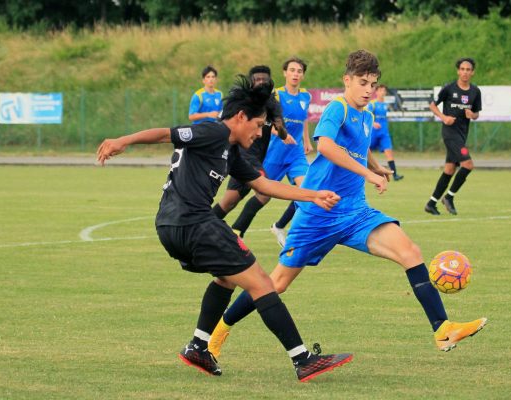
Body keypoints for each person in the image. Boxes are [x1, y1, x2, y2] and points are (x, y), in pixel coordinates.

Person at [209, 50, 487, 359]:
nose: (369, 89)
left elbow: (359, 147)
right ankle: (220, 329)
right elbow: (326, 146)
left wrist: (377, 166)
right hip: (318, 213)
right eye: (363, 82)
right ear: (347, 81)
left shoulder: (367, 115)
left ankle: (442, 328)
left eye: (373, 83)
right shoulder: (336, 109)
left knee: (410, 252)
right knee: (276, 283)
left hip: (355, 211)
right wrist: (369, 173)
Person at [96, 76, 352, 382]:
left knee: (226, 278)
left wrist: (313, 194)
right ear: (241, 117)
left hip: (171, 225)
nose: (260, 134)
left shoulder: (231, 151)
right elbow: (166, 134)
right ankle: (303, 360)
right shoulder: (214, 130)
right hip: (193, 222)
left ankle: (198, 346)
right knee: (262, 284)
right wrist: (123, 141)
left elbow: (263, 185)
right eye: (258, 125)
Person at [231, 56, 312, 247]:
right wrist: (278, 132)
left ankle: (280, 226)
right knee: (263, 195)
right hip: (275, 152)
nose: (295, 74)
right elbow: (267, 119)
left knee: (307, 190)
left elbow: (304, 119)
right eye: (292, 70)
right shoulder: (276, 95)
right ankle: (237, 230)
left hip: (296, 153)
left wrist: (306, 140)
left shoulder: (305, 96)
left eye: (299, 71)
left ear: (302, 75)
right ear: (285, 72)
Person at [212, 65, 295, 223]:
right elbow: (222, 122)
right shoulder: (241, 102)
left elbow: (282, 133)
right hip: (243, 155)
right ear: (251, 81)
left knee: (229, 202)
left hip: (251, 158)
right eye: (257, 79)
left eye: (265, 79)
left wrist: (281, 129)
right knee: (265, 193)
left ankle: (203, 225)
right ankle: (237, 230)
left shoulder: (272, 106)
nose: (261, 82)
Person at [424, 57, 482, 216]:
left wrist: (473, 114)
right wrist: (444, 117)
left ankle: (431, 203)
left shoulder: (475, 91)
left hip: (462, 134)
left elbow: (476, 114)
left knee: (449, 169)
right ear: (458, 71)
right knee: (468, 164)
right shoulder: (449, 88)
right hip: (450, 133)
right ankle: (449, 197)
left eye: (468, 69)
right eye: (462, 69)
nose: (465, 72)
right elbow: (432, 105)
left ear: (472, 72)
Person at [366, 84, 404, 181]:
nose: (382, 92)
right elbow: (366, 116)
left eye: (384, 91)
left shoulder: (385, 105)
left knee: (389, 152)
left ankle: (394, 174)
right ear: (377, 92)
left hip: (384, 133)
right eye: (380, 90)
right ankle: (362, 172)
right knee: (364, 152)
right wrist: (373, 123)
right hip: (373, 133)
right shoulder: (372, 104)